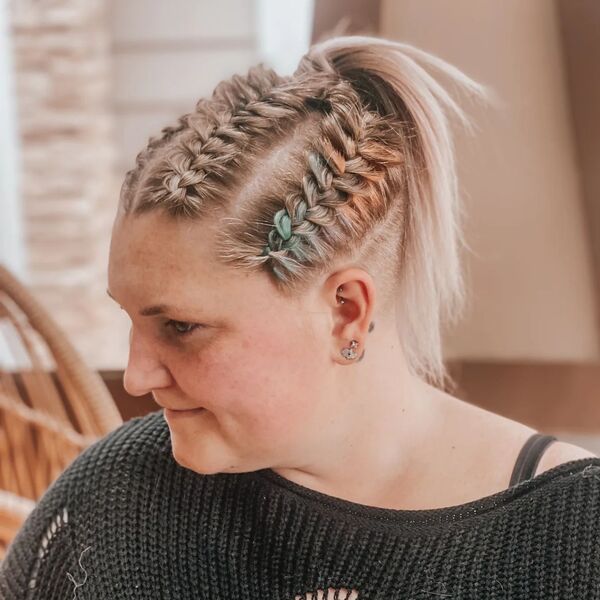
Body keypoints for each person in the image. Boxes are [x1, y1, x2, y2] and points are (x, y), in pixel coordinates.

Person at [1, 34, 599, 599]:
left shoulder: (578, 538)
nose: (136, 378)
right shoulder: (112, 497)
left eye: (181, 328)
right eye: (129, 319)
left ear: (345, 311)